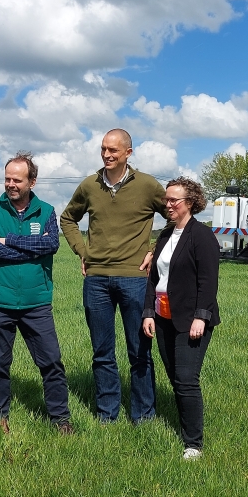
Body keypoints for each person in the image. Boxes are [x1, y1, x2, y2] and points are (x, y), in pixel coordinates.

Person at [60, 129, 167, 424]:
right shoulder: (89, 185)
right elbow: (68, 218)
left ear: (128, 153)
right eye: (103, 149)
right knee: (102, 352)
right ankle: (107, 414)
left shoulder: (147, 185)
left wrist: (155, 250)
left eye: (113, 150)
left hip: (136, 279)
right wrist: (82, 251)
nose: (107, 155)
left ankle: (143, 416)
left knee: (139, 351)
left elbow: (176, 216)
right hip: (96, 280)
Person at [0, 151, 73, 435]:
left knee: (51, 362)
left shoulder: (46, 212)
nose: (10, 184)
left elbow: (51, 245)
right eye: (7, 179)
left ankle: (60, 419)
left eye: (17, 180)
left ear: (32, 182)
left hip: (36, 302)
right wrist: (31, 249)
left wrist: (9, 240)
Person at [143, 177, 220, 460]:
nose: (168, 204)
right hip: (163, 317)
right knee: (176, 378)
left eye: (173, 200)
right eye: (166, 200)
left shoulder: (202, 236)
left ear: (190, 202)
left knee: (187, 379)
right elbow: (153, 278)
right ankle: (184, 425)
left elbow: (208, 281)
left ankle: (193, 444)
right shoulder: (165, 235)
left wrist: (201, 316)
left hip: (190, 319)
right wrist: (148, 312)